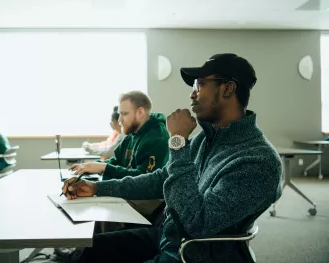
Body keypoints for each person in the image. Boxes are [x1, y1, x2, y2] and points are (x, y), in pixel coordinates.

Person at [61, 53, 283, 263]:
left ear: (228, 88)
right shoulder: (206, 139)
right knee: (89, 249)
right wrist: (96, 188)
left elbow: (196, 223)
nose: (192, 94)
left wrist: (177, 140)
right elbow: (160, 179)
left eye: (200, 84)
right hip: (168, 239)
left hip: (191, 254)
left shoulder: (258, 161)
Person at [70, 91, 170, 181]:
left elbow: (144, 179)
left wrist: (104, 168)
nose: (119, 120)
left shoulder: (158, 139)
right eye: (119, 114)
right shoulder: (131, 135)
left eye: (124, 114)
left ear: (140, 112)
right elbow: (117, 161)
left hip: (149, 200)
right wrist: (90, 166)